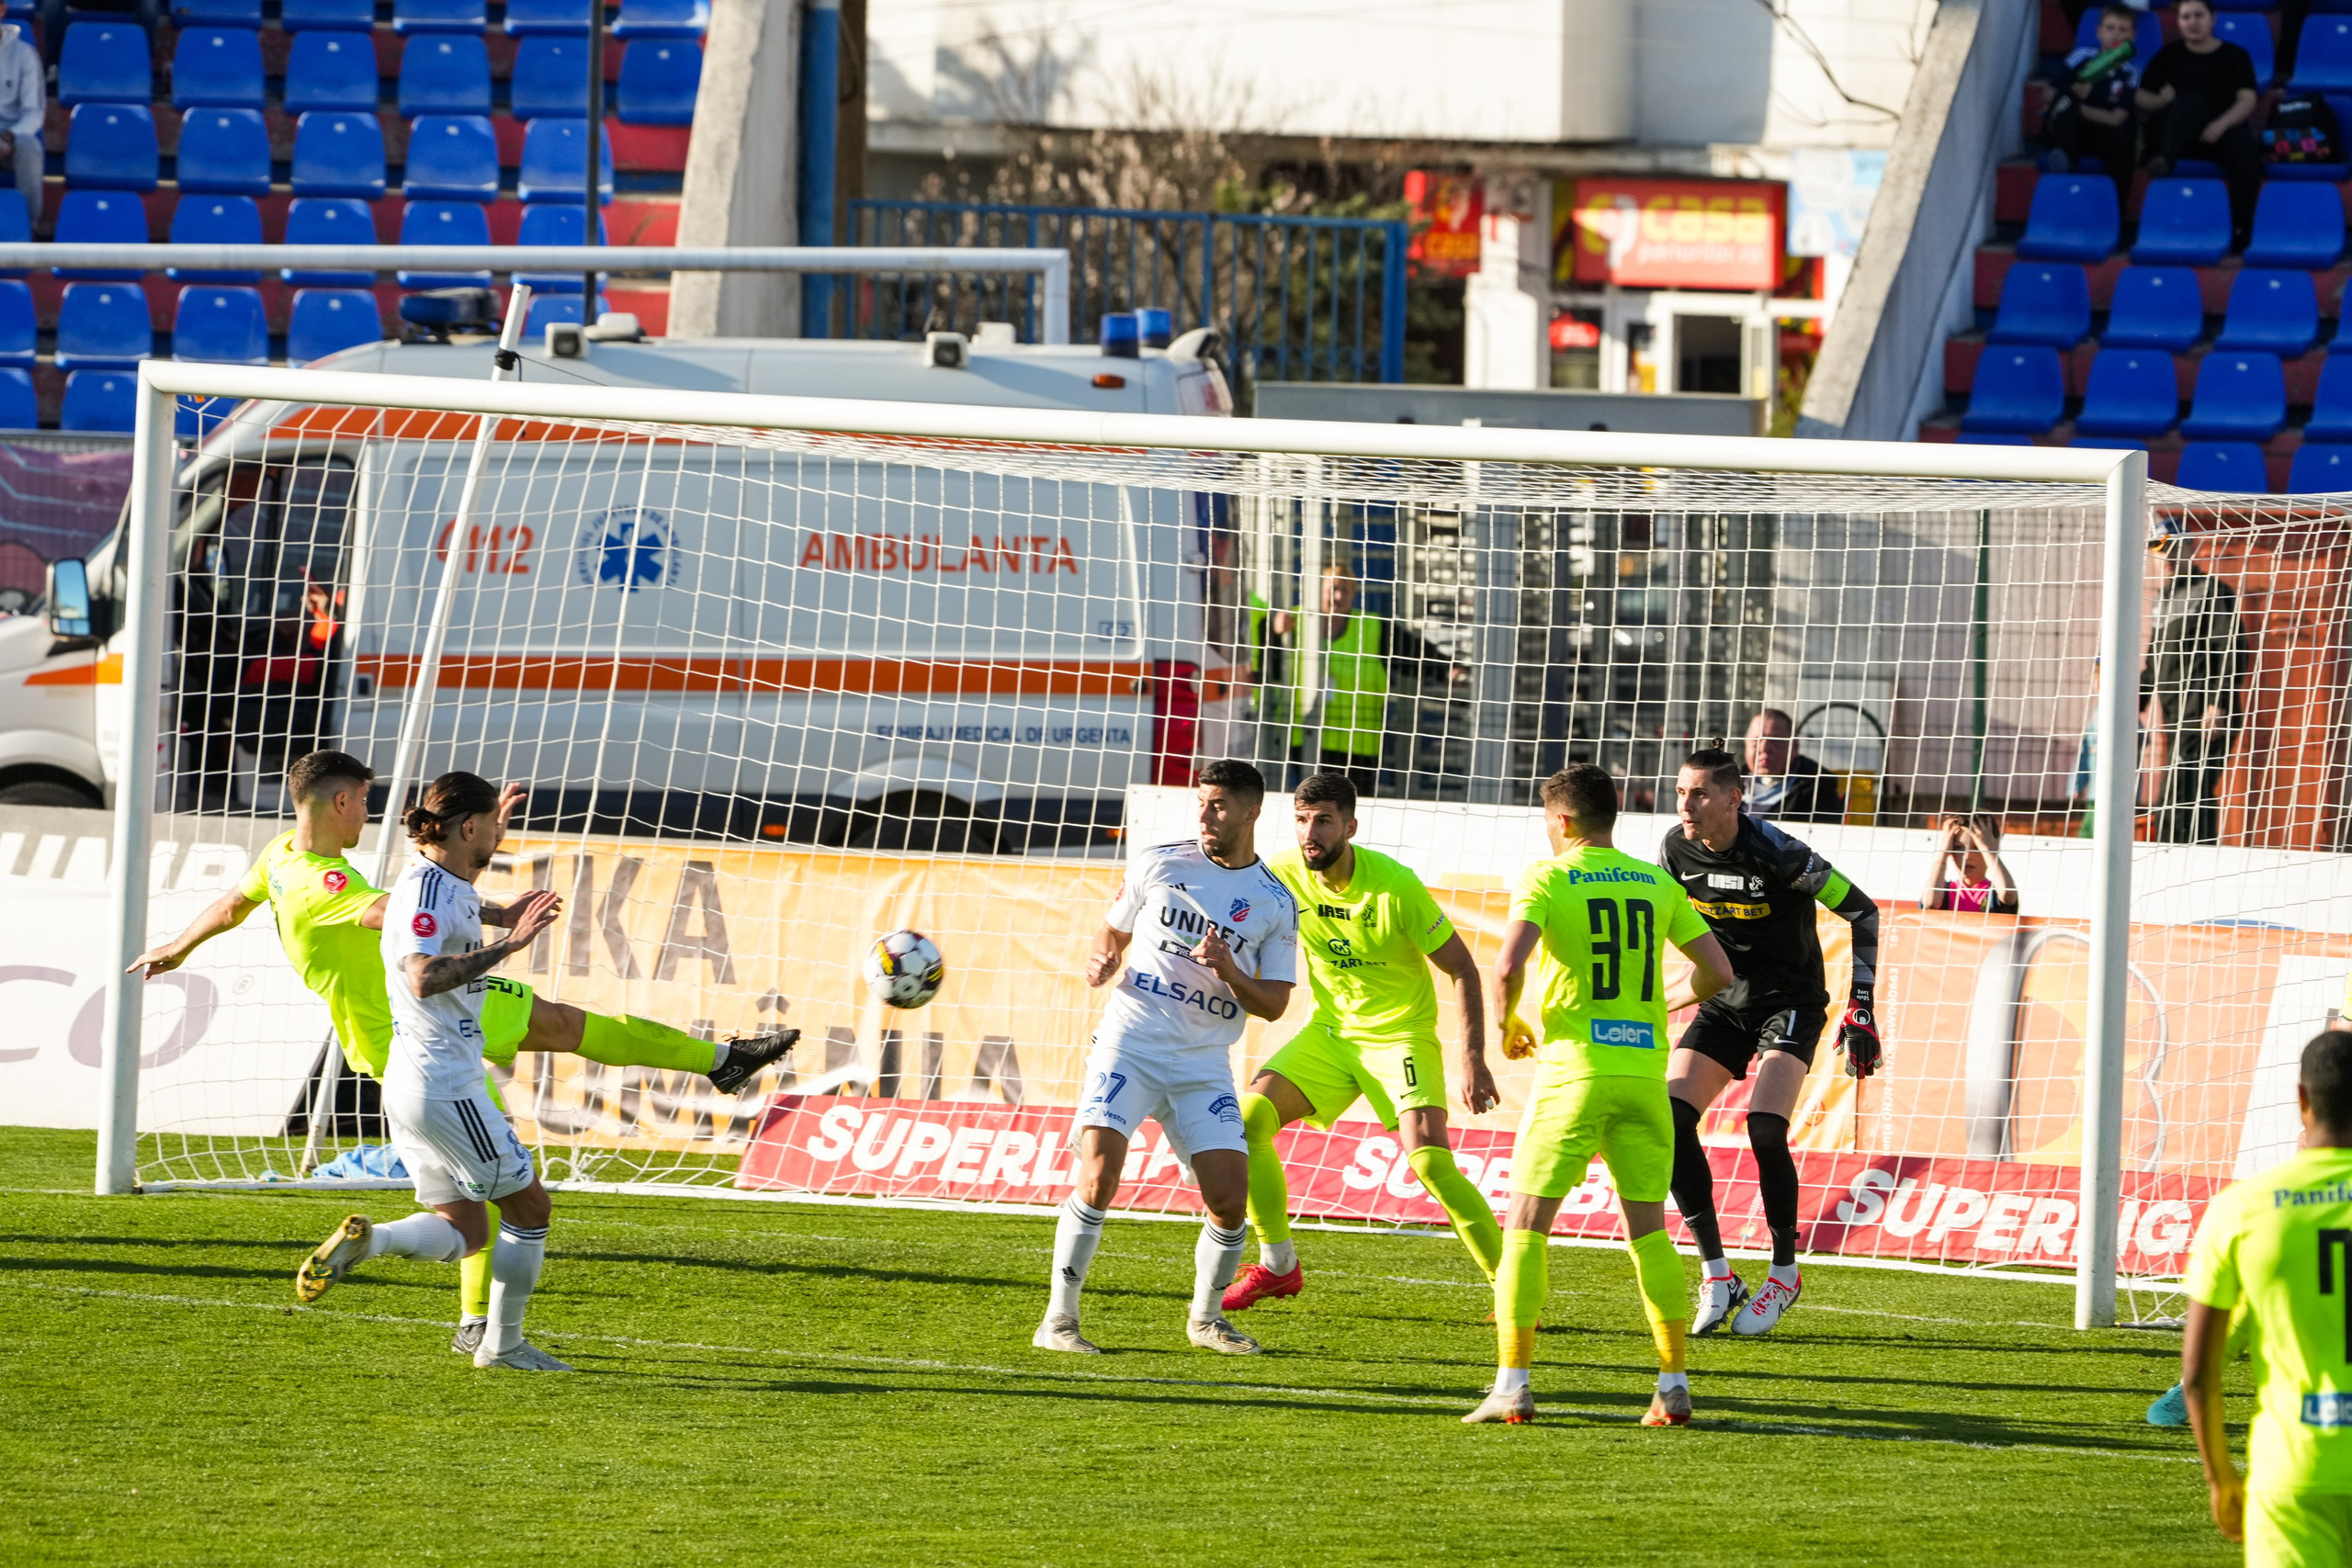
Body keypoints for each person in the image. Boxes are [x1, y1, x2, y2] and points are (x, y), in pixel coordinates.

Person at [130, 750, 797, 1355]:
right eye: (364, 799)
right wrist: (495, 897)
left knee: (555, 1049)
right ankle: (484, 1325)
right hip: (416, 1025)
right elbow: (401, 909)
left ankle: (718, 1060)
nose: (371, 810)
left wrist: (177, 946)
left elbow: (230, 904)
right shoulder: (325, 883)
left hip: (404, 1037)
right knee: (522, 1163)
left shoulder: (281, 853)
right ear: (338, 803)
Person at [1462, 763, 1735, 1427]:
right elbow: (1720, 971)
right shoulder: (1655, 879)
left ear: (1561, 821)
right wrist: (1666, 1003)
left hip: (1573, 1074)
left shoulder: (1548, 875)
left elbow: (1506, 964)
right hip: (1645, 1077)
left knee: (1526, 1226)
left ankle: (1512, 1383)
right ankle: (1673, 1385)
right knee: (1650, 1234)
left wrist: (1506, 1022)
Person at [292, 773, 571, 1369]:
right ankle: (504, 1344)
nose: (499, 834)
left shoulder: (441, 877)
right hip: (447, 1083)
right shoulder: (425, 893)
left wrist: (502, 912)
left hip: (416, 1081)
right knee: (530, 1210)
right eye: (493, 825)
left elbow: (458, 901)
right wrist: (511, 942)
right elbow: (422, 975)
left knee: (466, 1228)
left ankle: (374, 1241)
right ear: (467, 827)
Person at [1034, 758, 1298, 1357]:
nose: (1205, 814)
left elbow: (1276, 1005)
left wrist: (1229, 970)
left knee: (1230, 1199)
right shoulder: (1159, 861)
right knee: (1100, 1172)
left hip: (1204, 1061)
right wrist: (1102, 962)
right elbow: (1112, 933)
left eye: (1220, 805)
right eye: (1202, 802)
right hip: (1131, 1040)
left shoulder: (1274, 903)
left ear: (1253, 812)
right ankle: (1058, 1320)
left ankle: (1206, 1320)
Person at [1222, 771, 1503, 1314]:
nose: (1311, 833)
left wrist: (1474, 1059)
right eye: (1303, 820)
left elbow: (1463, 968)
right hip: (1330, 1034)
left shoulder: (1395, 885)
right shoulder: (1280, 874)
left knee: (1430, 1162)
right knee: (1245, 1121)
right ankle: (1279, 1264)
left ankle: (1509, 1284)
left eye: (1324, 821)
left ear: (1350, 825)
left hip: (1400, 1036)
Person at [1658, 747, 1883, 1337]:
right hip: (1724, 1003)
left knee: (1764, 1127)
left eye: (1700, 793)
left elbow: (1863, 911)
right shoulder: (1672, 850)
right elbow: (1656, 919)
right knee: (1670, 1119)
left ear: (1734, 798)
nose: (1687, 805)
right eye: (1681, 792)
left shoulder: (1782, 853)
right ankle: (1717, 1274)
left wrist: (1862, 1002)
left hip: (1791, 1004)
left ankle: (1783, 1273)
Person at [2182, 1029, 2352, 1564]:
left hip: (2296, 1471)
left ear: (2302, 1099)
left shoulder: (2242, 1209)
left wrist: (2221, 1477)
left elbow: (2199, 1375)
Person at [2142, 518, 2246, 845]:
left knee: (2184, 790)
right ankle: (2183, 856)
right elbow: (2156, 660)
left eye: (2174, 546)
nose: (2168, 555)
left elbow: (2231, 649)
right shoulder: (2164, 597)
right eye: (2160, 548)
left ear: (2191, 547)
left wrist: (2218, 704)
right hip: (2175, 716)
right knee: (2184, 791)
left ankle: (2191, 860)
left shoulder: (2213, 592)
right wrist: (2136, 702)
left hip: (2204, 714)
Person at [2138, 0, 2264, 251]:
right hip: (2175, 133)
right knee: (2192, 100)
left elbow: (2247, 100)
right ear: (2178, 22)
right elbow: (2141, 96)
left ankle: (2242, 230)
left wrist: (2221, 125)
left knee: (2245, 149)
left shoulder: (2235, 56)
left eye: (2198, 15)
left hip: (2216, 132)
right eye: (2185, 17)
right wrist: (2161, 100)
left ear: (2213, 18)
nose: (2192, 22)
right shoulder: (2168, 55)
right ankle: (2163, 162)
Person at [2044, 4, 2144, 213]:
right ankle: (2065, 161)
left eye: (2123, 29)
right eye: (2110, 28)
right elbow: (2050, 93)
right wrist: (2073, 93)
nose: (2115, 34)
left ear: (2133, 36)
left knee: (2123, 136)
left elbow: (2117, 118)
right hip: (2071, 130)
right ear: (2099, 32)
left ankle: (2114, 210)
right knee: (2063, 100)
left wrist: (2079, 107)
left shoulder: (2131, 73)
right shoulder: (2081, 56)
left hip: (2102, 135)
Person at [1741, 709, 1846, 824]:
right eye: (1757, 740)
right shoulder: (1727, 781)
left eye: (1775, 740)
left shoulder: (1818, 789)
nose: (1764, 748)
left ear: (1795, 746)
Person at [1920, 814, 2020, 914]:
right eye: (1959, 847)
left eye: (1977, 847)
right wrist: (1943, 852)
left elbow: (2008, 894)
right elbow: (1931, 903)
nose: (1967, 856)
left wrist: (1988, 850)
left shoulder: (1995, 894)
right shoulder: (1943, 892)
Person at [0, 0, 40, 226]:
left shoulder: (24, 55)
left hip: (9, 142)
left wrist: (9, 136)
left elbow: (33, 112)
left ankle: (29, 223)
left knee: (29, 145)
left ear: (2, 10)